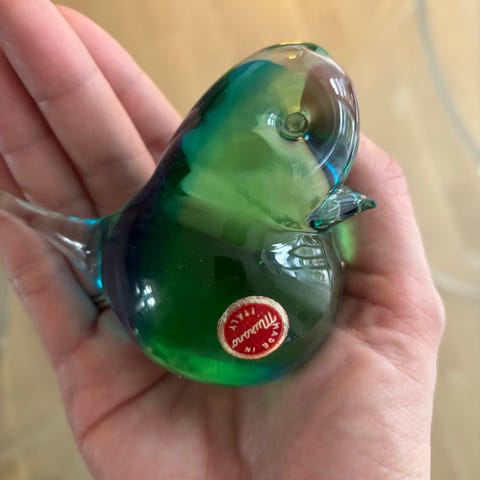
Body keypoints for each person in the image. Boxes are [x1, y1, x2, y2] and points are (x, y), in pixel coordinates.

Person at [0, 1, 444, 479]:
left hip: (168, 297)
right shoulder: (224, 191)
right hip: (147, 283)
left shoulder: (281, 214)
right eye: (291, 128)